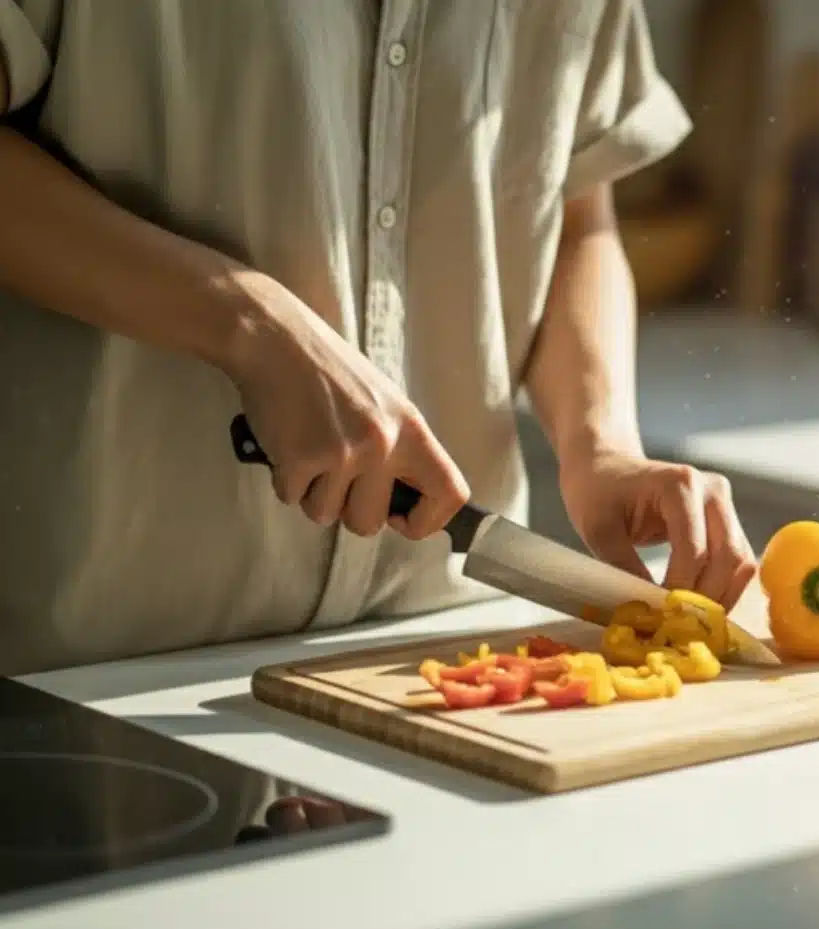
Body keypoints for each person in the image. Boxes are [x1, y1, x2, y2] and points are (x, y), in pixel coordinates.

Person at [0, 0, 757, 677]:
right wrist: (244, 319)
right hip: (91, 671)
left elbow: (574, 217)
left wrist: (602, 446)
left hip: (437, 648)